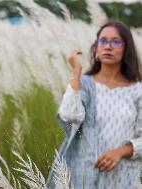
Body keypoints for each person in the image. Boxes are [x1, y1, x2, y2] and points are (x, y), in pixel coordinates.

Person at [46, 21, 142, 189]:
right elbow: (69, 117)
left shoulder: (137, 90)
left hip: (123, 177)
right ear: (96, 48)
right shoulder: (85, 85)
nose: (108, 46)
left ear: (127, 49)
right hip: (84, 176)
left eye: (116, 41)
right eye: (103, 41)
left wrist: (120, 152)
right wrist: (76, 74)